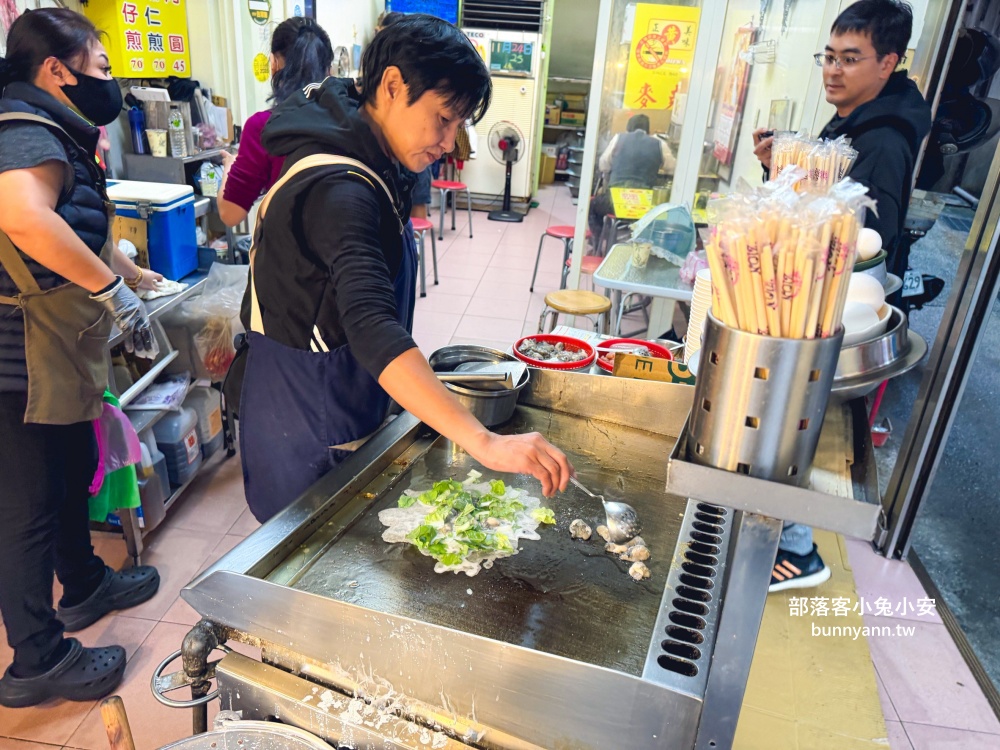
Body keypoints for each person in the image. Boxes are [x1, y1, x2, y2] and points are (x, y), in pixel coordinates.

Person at [240, 13, 572, 522]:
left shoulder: (365, 149)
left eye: (459, 125)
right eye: (444, 119)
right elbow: (372, 325)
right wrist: (484, 441)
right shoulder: (340, 190)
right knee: (308, 546)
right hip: (307, 425)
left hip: (340, 398)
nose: (449, 142)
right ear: (392, 86)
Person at [0, 8, 161, 707]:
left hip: (55, 346)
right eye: (100, 67)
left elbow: (75, 224)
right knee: (27, 508)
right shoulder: (23, 133)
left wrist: (129, 272)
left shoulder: (56, 130)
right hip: (17, 358)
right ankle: (36, 660)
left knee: (69, 476)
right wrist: (110, 291)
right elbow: (22, 217)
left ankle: (85, 585)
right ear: (55, 70)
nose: (109, 81)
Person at [753, 0, 931, 593]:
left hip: (837, 307)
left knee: (797, 418)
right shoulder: (852, 121)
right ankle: (781, 533)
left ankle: (797, 551)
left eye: (850, 59)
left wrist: (798, 190)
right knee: (788, 414)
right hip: (816, 296)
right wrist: (781, 170)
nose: (833, 70)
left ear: (888, 62)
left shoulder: (883, 139)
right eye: (828, 56)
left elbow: (865, 236)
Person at [217, 17, 334, 227]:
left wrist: (229, 166)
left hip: (289, 245)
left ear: (274, 64)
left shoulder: (264, 127)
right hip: (351, 242)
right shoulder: (353, 120)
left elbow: (230, 213)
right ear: (329, 70)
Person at [375, 10, 434, 220]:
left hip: (411, 152)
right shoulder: (378, 71)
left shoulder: (414, 70)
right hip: (394, 154)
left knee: (414, 210)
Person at [589, 113, 676, 242]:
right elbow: (673, 168)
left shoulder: (618, 138)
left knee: (593, 206)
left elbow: (603, 165)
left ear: (628, 129)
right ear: (648, 130)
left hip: (615, 202)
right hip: (645, 205)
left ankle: (599, 240)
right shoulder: (659, 144)